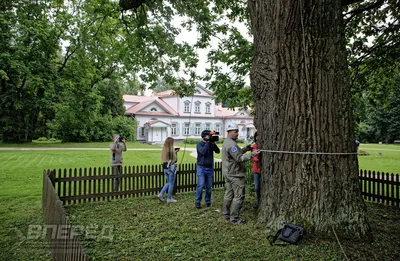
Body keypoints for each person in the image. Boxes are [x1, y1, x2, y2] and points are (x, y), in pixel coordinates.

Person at [222, 122, 260, 224]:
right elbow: (239, 158)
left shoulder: (227, 142)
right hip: (235, 174)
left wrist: (245, 149)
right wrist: (252, 154)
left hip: (228, 172)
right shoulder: (232, 145)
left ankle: (226, 214)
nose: (237, 133)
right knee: (239, 196)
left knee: (229, 194)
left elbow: (235, 154)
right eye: (236, 131)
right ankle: (234, 218)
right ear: (230, 132)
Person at [195, 130, 221, 208]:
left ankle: (208, 201)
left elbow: (217, 151)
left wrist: (212, 143)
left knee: (209, 187)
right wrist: (207, 143)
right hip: (201, 167)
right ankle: (198, 202)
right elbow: (203, 152)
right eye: (208, 136)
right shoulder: (199, 144)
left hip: (210, 167)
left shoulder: (210, 143)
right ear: (204, 136)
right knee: (200, 185)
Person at [158, 137, 179, 203]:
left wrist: (174, 152)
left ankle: (161, 194)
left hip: (165, 168)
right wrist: (175, 153)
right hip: (170, 169)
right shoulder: (171, 151)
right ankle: (169, 198)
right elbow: (174, 160)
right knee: (171, 183)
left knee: (168, 182)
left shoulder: (165, 150)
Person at [251, 131, 261, 209]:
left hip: (262, 170)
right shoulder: (254, 146)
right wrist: (258, 157)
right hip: (256, 170)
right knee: (257, 187)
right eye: (257, 137)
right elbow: (253, 157)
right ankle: (258, 201)